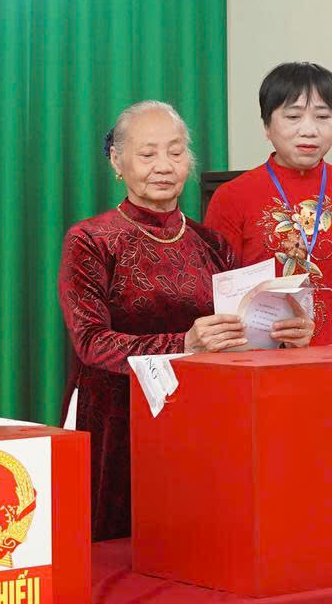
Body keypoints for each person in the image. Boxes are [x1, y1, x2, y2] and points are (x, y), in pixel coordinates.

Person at [59, 101, 314, 540]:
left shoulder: (212, 243)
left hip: (200, 420)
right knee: (118, 553)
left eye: (176, 152)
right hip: (116, 423)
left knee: (195, 544)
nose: (164, 165)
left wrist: (285, 335)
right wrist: (184, 344)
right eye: (148, 154)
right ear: (117, 161)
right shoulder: (90, 240)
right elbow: (91, 342)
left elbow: (239, 337)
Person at [204, 61, 332, 344]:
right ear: (267, 126)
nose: (309, 130)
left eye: (323, 116)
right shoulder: (232, 197)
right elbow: (218, 298)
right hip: (261, 358)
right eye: (293, 116)